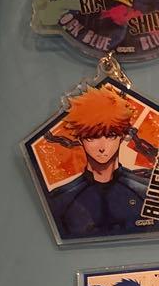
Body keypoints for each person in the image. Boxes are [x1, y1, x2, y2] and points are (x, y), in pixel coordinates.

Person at [47, 86, 149, 238]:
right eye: (92, 137)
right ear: (80, 139)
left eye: (110, 136)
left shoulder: (145, 192)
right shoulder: (61, 199)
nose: (102, 147)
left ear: (122, 136)